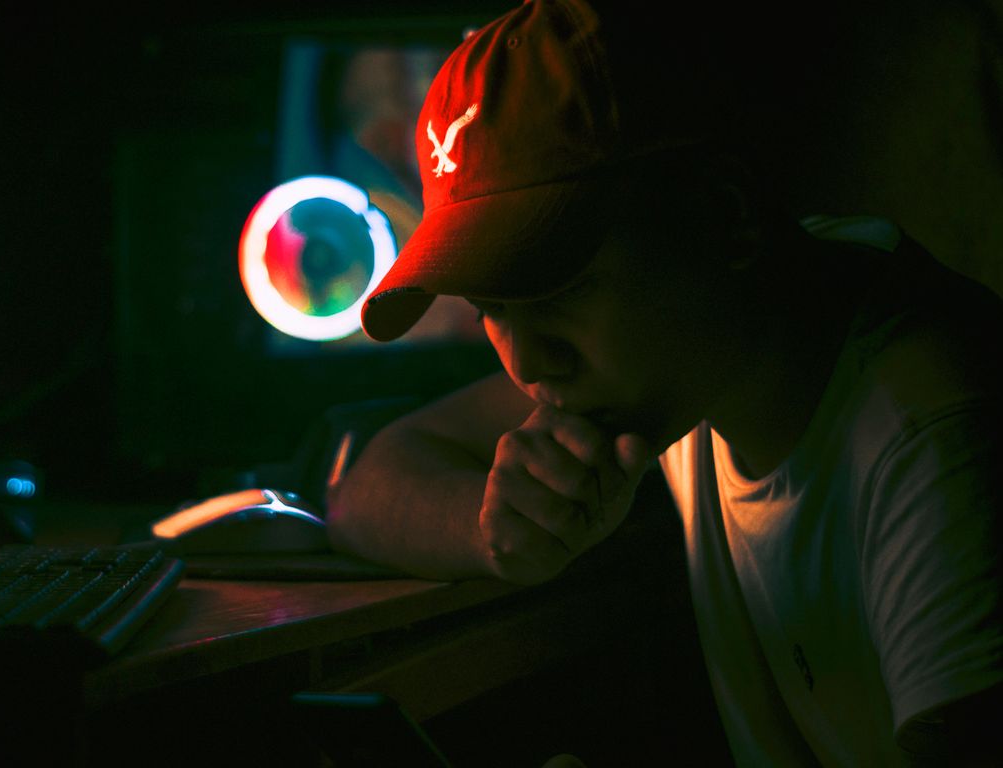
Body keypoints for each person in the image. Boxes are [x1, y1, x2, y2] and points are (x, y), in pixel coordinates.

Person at [323, 0, 1003, 764]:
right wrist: (498, 533)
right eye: (491, 307)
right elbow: (367, 483)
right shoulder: (708, 350)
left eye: (555, 287)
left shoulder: (935, 439)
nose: (524, 362)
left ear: (727, 214)